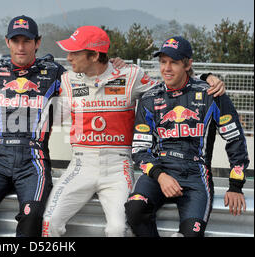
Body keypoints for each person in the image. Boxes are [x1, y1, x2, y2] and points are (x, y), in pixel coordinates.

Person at [42, 26, 226, 237]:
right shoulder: (67, 79)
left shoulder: (130, 75)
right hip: (81, 164)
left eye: (74, 52)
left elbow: (171, 85)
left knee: (118, 228)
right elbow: (52, 117)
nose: (68, 57)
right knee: (49, 222)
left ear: (93, 55)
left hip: (118, 167)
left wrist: (207, 78)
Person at [125, 36, 249, 237]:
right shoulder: (149, 98)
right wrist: (161, 176)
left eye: (173, 62)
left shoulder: (212, 94)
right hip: (160, 170)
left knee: (192, 234)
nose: (166, 68)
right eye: (163, 62)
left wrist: (235, 186)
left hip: (196, 175)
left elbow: (235, 139)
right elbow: (140, 150)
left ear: (188, 64)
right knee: (134, 209)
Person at [0, 15, 67, 237]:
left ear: (37, 42)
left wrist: (114, 65)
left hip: (33, 158)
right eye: (15, 41)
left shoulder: (55, 72)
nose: (21, 46)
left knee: (32, 215)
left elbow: (89, 78)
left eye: (26, 41)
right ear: (7, 42)